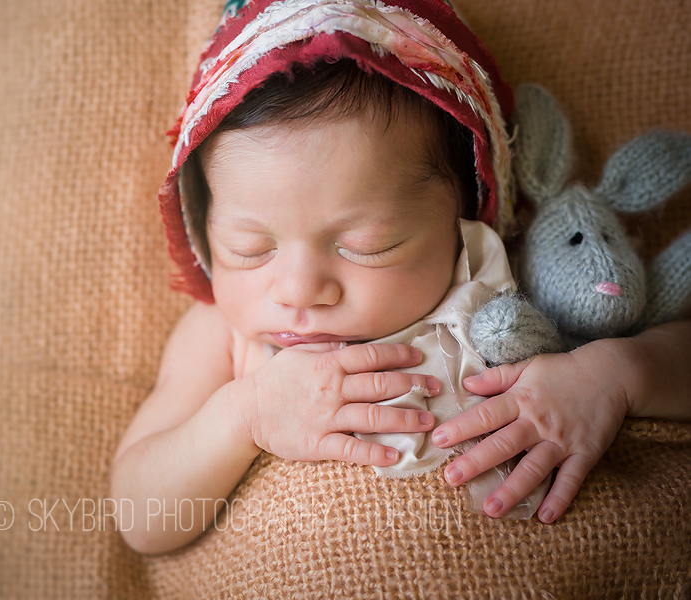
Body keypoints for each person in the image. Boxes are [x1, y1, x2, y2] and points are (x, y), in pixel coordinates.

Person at [110, 0, 691, 554]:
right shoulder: (226, 339)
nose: (299, 291)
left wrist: (613, 376)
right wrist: (245, 415)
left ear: (469, 213)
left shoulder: (503, 291)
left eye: (367, 246)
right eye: (250, 249)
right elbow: (140, 516)